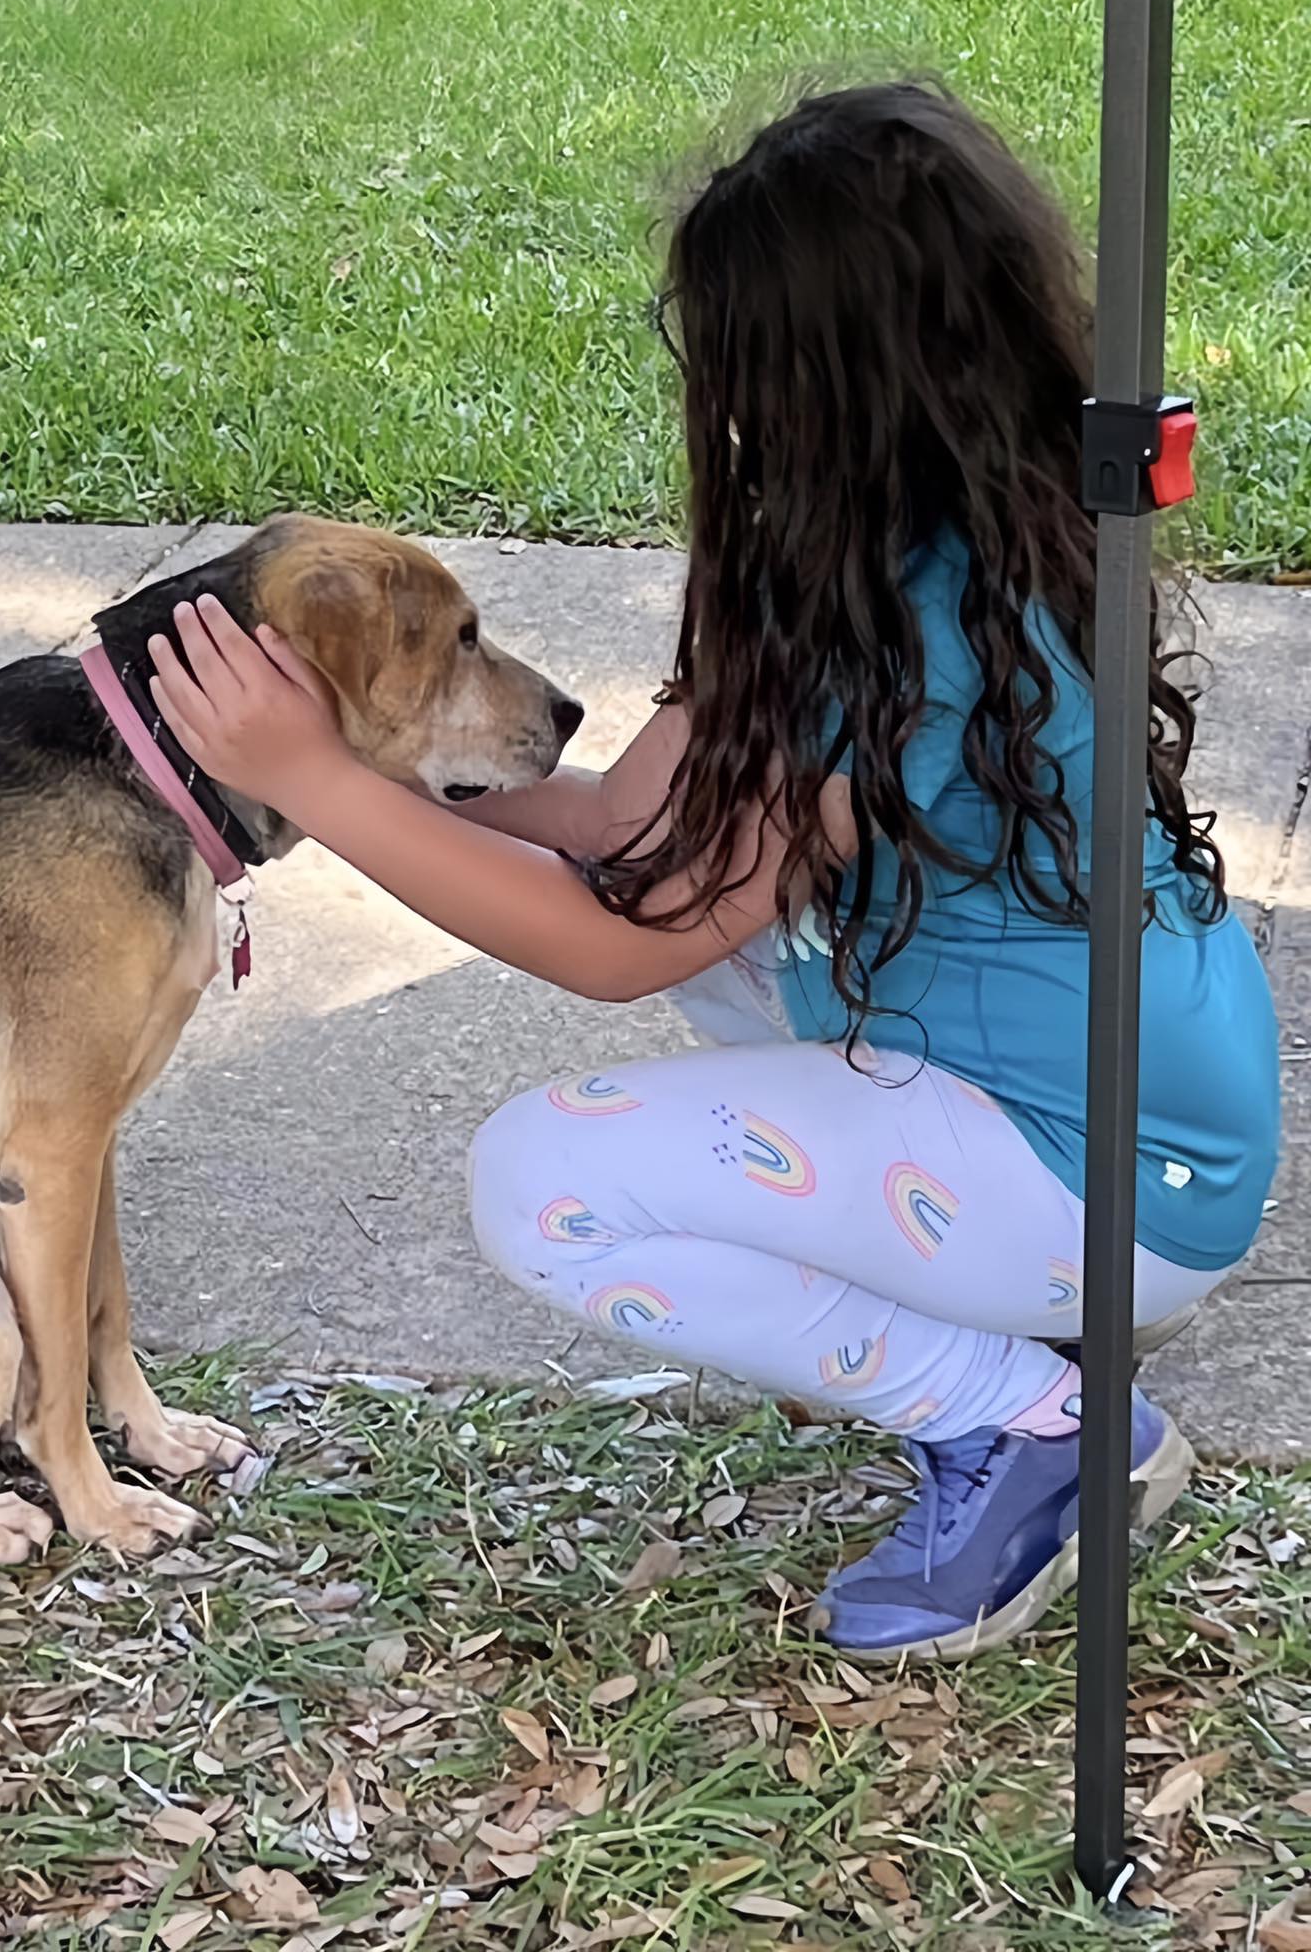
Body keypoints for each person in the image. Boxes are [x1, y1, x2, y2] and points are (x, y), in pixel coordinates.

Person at [145, 82, 1279, 1661]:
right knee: (689, 931)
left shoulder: (917, 637)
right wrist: (355, 774)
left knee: (545, 1186)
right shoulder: (890, 551)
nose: (727, 411)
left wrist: (317, 784)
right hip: (1097, 1077)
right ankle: (999, 1299)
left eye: (743, 367)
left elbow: (623, 949)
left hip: (1117, 1166)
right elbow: (623, 830)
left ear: (824, 383)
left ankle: (1031, 1424)